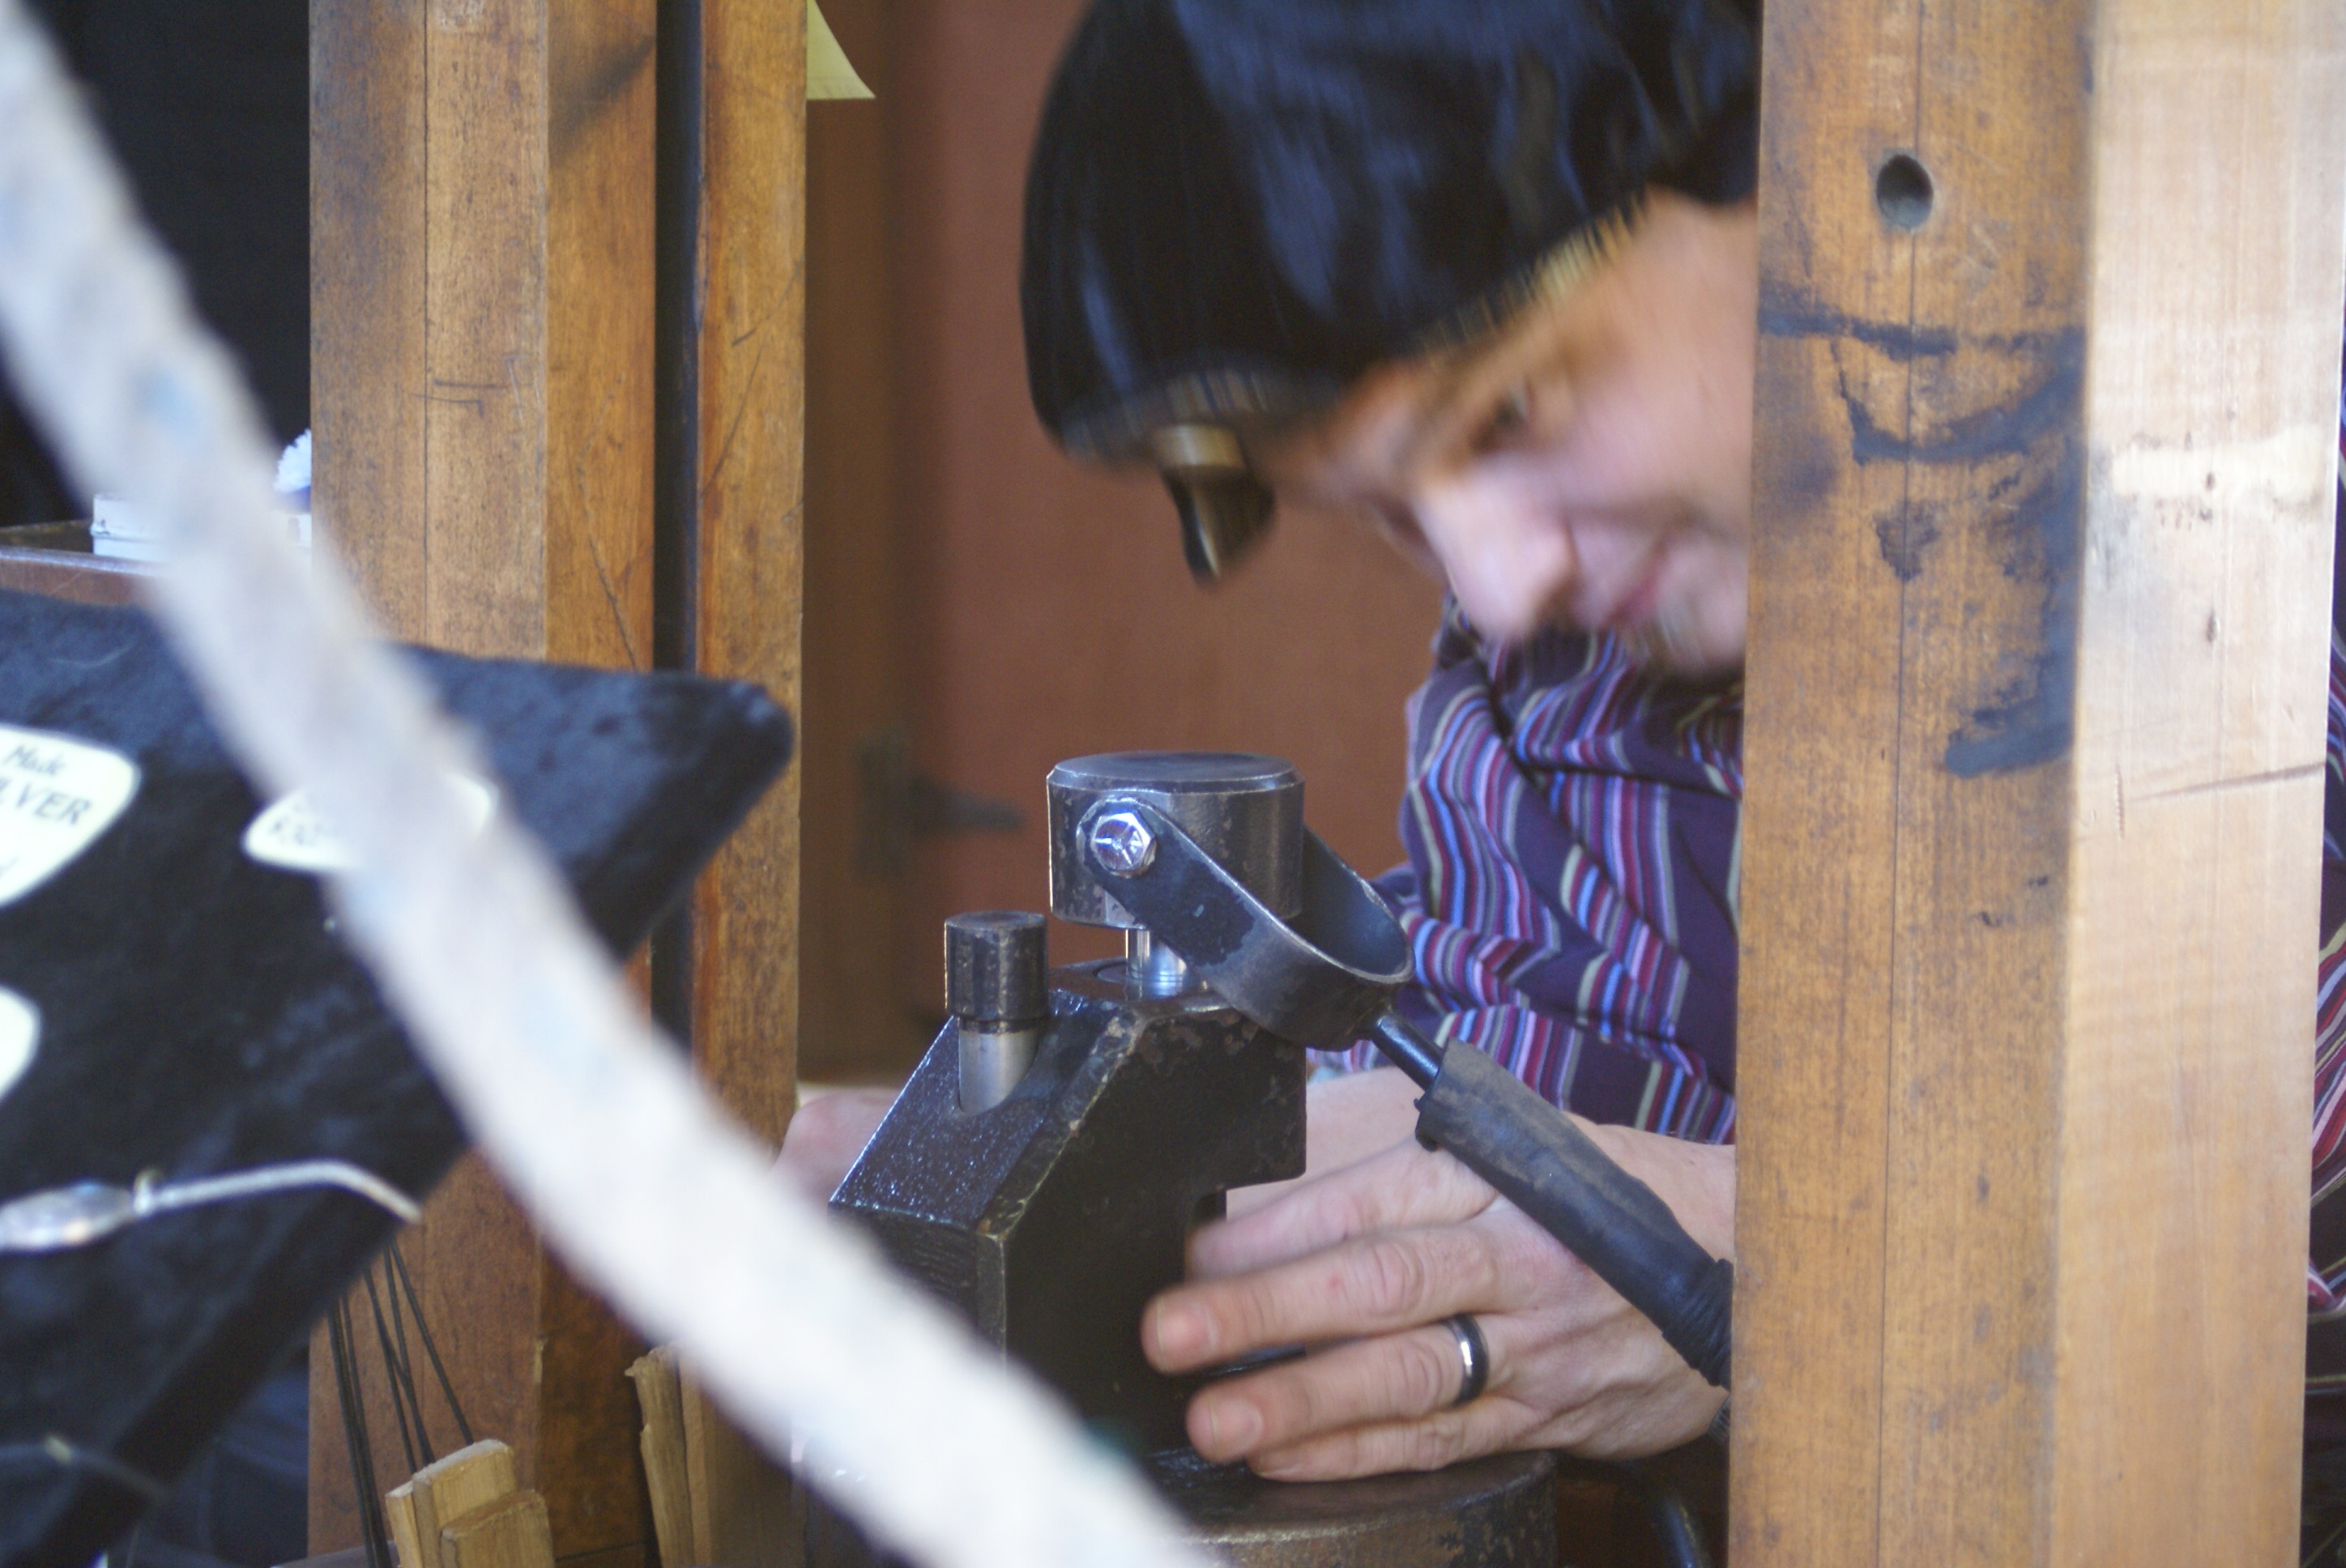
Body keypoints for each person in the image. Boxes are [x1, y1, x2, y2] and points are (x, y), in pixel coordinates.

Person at [783, 0, 2346, 1506]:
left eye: (1512, 410)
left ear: (1791, 157)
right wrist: (1039, 1158)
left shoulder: (2270, 506)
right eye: (1394, 512)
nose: (1493, 584)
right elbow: (1520, 1087)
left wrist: (1785, 1276)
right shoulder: (1557, 678)